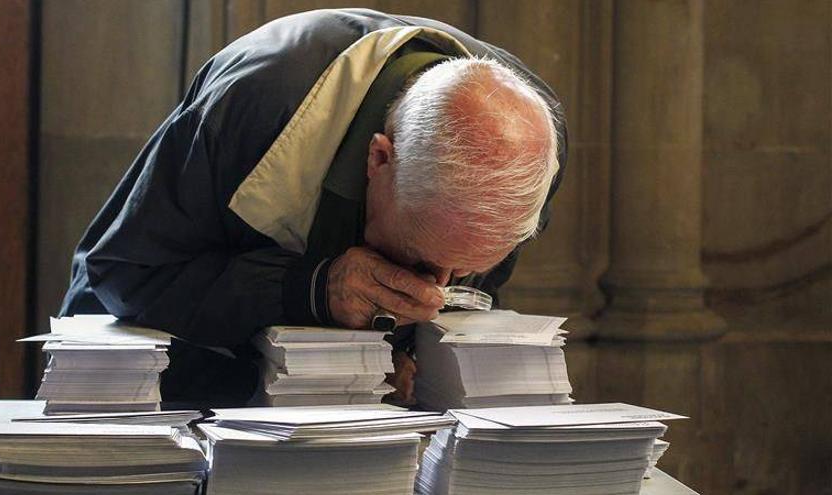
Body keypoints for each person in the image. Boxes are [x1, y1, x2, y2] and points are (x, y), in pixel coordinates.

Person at [60, 8, 567, 405]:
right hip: (146, 376)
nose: (439, 289)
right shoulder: (255, 101)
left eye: (469, 267)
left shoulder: (530, 142)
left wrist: (411, 351)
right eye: (422, 260)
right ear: (379, 158)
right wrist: (311, 289)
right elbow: (127, 274)